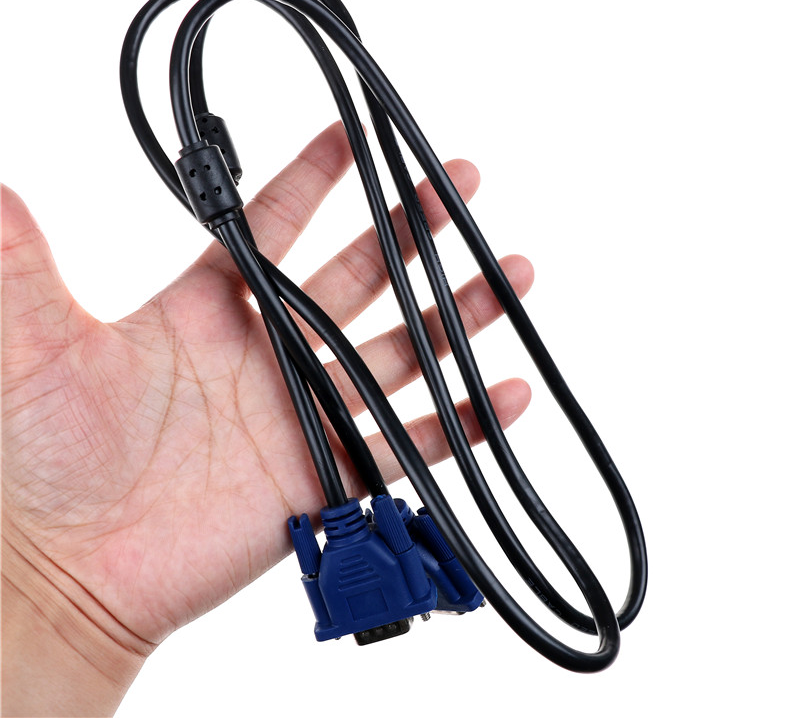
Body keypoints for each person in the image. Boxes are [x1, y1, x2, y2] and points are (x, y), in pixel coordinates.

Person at [1, 122, 533, 717]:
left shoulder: (348, 563)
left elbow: (363, 538)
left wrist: (66, 609)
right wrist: (59, 597)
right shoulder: (350, 560)